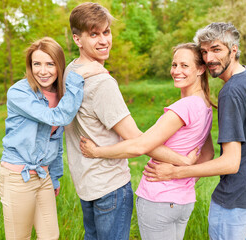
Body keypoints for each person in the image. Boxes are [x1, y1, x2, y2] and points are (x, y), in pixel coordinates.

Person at [64, 3, 198, 240]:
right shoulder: (102, 83)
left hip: (86, 185)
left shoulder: (71, 72)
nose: (104, 40)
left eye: (106, 32)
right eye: (94, 34)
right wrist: (182, 161)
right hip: (109, 188)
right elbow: (137, 140)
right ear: (77, 39)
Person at [143, 22, 246, 240]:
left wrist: (175, 172)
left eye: (216, 50)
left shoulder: (230, 92)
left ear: (234, 49)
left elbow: (230, 163)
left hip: (238, 200)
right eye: (205, 51)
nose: (209, 59)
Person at [79, 42, 216, 240]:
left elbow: (140, 145)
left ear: (201, 69)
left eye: (184, 66)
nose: (176, 71)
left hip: (158, 199)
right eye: (174, 64)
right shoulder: (205, 105)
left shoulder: (184, 107)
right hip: (183, 201)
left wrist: (97, 151)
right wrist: (184, 178)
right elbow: (207, 154)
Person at [0, 37, 106, 240]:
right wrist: (78, 76)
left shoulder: (60, 94)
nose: (43, 71)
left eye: (50, 64)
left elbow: (55, 140)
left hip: (43, 176)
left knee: (50, 236)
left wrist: (55, 176)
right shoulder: (19, 92)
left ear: (59, 66)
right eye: (36, 64)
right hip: (18, 177)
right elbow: (57, 117)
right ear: (30, 67)